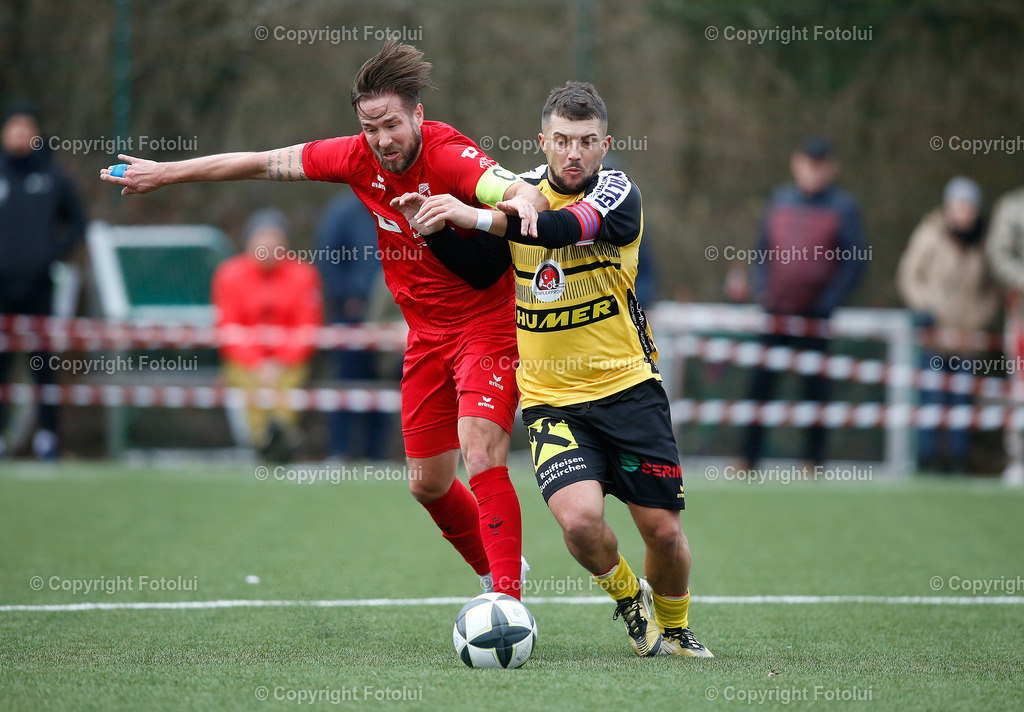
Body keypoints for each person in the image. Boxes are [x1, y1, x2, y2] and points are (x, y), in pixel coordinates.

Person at [100, 41, 547, 598]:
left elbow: (510, 188)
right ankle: (497, 571)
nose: (382, 139)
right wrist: (168, 173)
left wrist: (525, 199)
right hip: (426, 336)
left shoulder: (449, 154)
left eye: (391, 125)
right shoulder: (353, 158)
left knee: (480, 450)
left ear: (418, 116)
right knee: (428, 486)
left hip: (488, 323)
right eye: (369, 127)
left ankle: (506, 600)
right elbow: (258, 163)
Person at [393, 81, 713, 658]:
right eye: (562, 140)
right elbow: (478, 268)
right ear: (542, 142)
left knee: (663, 533)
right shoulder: (520, 199)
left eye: (587, 142)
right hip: (551, 402)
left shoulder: (617, 193)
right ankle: (629, 600)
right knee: (580, 523)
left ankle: (677, 623)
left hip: (628, 389)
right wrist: (434, 230)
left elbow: (564, 230)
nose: (574, 154)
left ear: (604, 143)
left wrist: (475, 213)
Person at [739, 137, 867, 471]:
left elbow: (854, 262)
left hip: (816, 317)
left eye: (820, 164)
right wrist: (761, 290)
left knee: (816, 390)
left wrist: (829, 303)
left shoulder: (843, 208)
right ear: (796, 163)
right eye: (808, 162)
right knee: (760, 387)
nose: (813, 171)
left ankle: (813, 460)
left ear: (831, 167)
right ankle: (748, 458)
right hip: (775, 314)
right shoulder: (779, 201)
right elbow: (761, 251)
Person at [0, 102, 86, 460]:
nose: (19, 134)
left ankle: (48, 438)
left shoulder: (54, 176)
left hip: (39, 286)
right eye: (13, 127)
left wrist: (50, 253)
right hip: (0, 288)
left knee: (43, 363)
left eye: (26, 128)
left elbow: (78, 223)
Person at [897, 177, 1000, 473]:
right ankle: (928, 459)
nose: (963, 213)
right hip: (934, 334)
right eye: (958, 206)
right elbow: (910, 275)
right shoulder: (930, 234)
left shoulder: (984, 243)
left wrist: (977, 321)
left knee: (961, 401)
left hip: (967, 339)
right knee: (931, 398)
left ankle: (957, 459)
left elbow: (991, 292)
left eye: (969, 207)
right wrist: (924, 308)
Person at [212, 208, 323, 462]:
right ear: (249, 240)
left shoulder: (304, 275)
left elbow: (308, 327)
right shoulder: (229, 274)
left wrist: (280, 361)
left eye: (274, 237)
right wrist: (258, 363)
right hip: (245, 361)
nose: (268, 244)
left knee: (286, 381)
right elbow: (227, 328)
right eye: (262, 237)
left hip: (289, 362)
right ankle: (266, 439)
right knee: (251, 382)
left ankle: (276, 436)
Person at [315, 193, 391, 461]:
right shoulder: (343, 212)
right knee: (346, 386)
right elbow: (327, 259)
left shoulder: (396, 207)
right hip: (352, 320)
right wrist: (347, 299)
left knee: (384, 391)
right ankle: (339, 451)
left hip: (392, 322)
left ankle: (376, 456)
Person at [985, 183, 1024, 486]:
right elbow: (999, 254)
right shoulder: (1013, 206)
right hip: (1022, 315)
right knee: (1020, 388)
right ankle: (1018, 459)